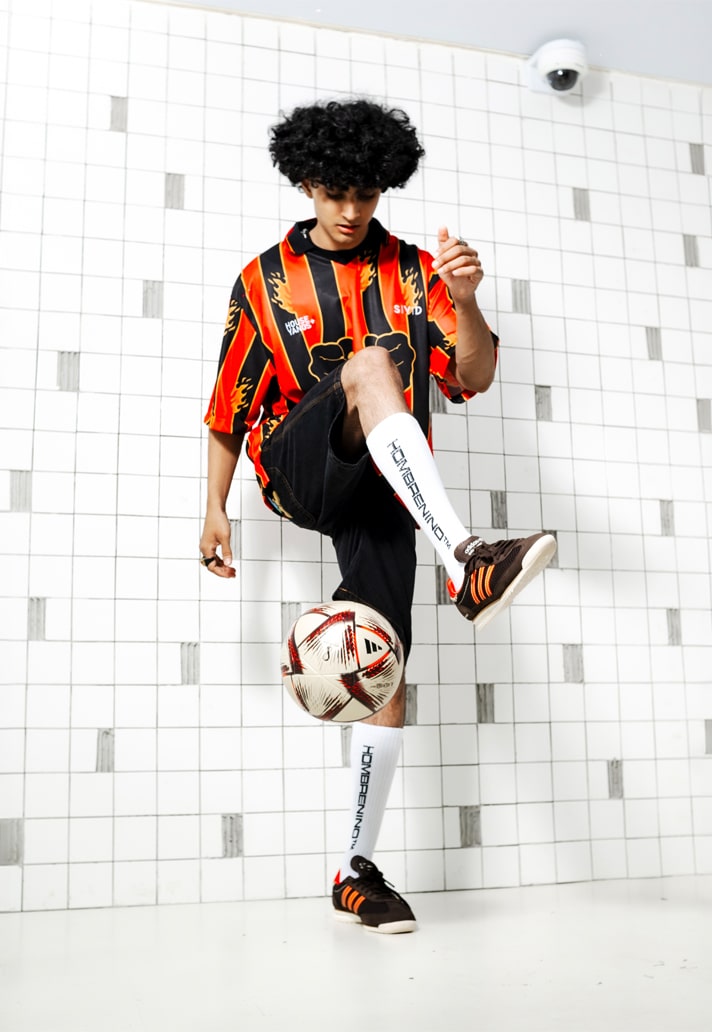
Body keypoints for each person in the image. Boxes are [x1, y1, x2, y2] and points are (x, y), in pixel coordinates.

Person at [199, 98, 556, 934]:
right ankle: (466, 558)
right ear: (305, 183)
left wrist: (464, 299)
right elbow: (228, 407)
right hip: (299, 466)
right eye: (335, 193)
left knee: (379, 663)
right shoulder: (265, 281)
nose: (352, 211)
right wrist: (212, 507)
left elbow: (472, 376)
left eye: (367, 194)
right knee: (368, 363)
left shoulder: (415, 271)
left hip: (386, 487)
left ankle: (354, 871)